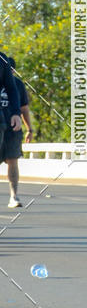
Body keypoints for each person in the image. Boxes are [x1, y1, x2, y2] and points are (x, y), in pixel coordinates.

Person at [0, 56, 28, 208]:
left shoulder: (16, 83)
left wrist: (17, 115)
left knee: (12, 159)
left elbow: (23, 106)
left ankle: (14, 196)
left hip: (9, 125)